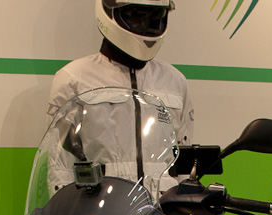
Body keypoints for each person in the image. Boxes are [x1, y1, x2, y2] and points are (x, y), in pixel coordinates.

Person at [46, 0, 193, 194]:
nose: (145, 23)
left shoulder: (174, 82)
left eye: (154, 15)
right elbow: (60, 167)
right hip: (101, 206)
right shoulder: (74, 79)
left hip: (162, 209)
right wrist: (65, 210)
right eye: (136, 14)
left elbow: (185, 168)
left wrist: (184, 212)